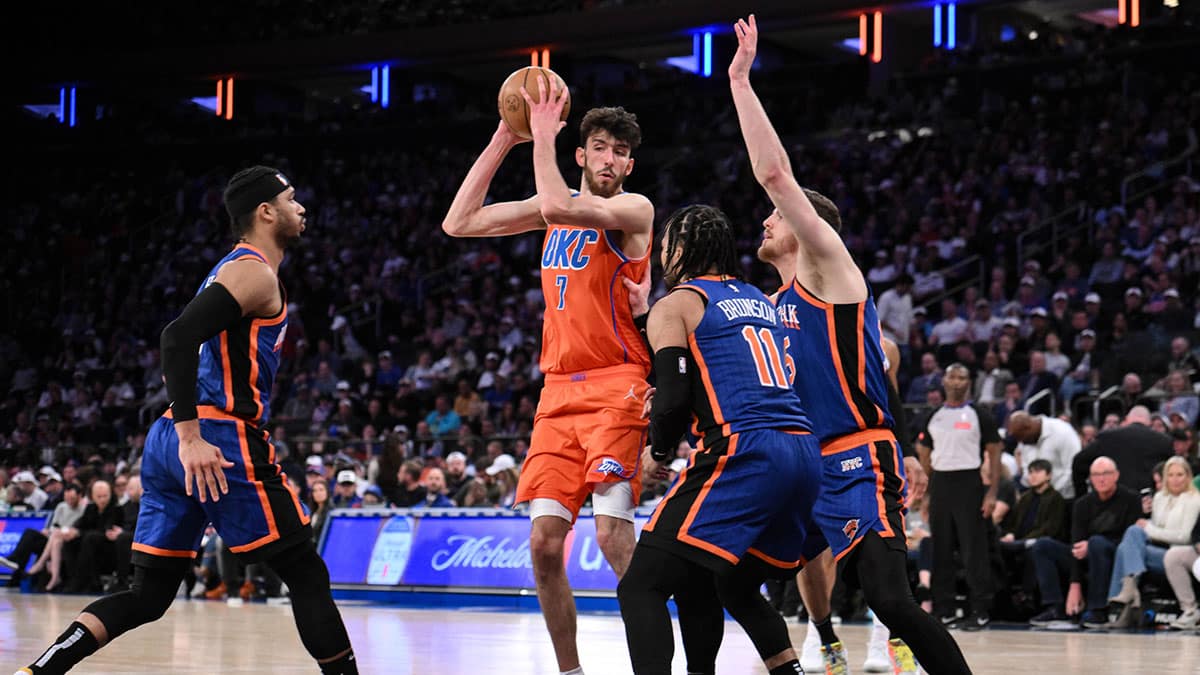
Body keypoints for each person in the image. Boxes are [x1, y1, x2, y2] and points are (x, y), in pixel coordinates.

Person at [15, 167, 356, 675]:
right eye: (290, 198)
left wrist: (183, 434)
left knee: (147, 596)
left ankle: (37, 672)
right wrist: (193, 436)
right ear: (266, 212)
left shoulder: (235, 269)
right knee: (305, 572)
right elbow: (176, 338)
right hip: (215, 438)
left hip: (171, 440)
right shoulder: (254, 271)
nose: (300, 208)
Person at [727, 15, 967, 675]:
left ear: (812, 229)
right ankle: (806, 656)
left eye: (778, 214)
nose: (766, 217)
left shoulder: (830, 267)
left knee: (892, 599)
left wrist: (741, 82)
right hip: (802, 468)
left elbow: (776, 174)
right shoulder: (768, 307)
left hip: (859, 454)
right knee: (729, 573)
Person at [443, 75, 653, 675]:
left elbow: (561, 204)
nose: (610, 158)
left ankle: (661, 659)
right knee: (542, 546)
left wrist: (540, 138)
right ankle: (571, 672)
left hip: (618, 382)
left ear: (629, 164)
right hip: (557, 393)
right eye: (600, 147)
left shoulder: (631, 209)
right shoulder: (550, 207)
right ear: (581, 153)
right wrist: (505, 137)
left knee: (614, 536)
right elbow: (458, 222)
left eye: (620, 150)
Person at [617, 204, 819, 675]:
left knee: (640, 586)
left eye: (665, 247)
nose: (662, 256)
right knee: (708, 579)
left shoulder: (679, 304)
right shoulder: (758, 298)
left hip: (745, 452)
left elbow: (671, 395)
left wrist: (658, 452)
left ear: (681, 250)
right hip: (802, 452)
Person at [917, 363, 1003, 630]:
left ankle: (980, 610)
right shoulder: (933, 416)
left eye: (962, 377)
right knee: (940, 549)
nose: (956, 381)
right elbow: (924, 456)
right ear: (944, 381)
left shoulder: (979, 414)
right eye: (952, 376)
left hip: (969, 482)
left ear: (969, 382)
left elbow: (995, 452)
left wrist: (992, 491)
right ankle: (944, 610)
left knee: (973, 550)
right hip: (941, 483)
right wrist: (927, 494)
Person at [1027, 456, 1141, 627]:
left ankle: (1098, 609)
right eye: (1096, 475)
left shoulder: (1131, 499)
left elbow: (1131, 541)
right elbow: (1076, 544)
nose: (1101, 479)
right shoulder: (1082, 504)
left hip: (1115, 556)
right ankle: (1055, 607)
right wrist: (1075, 585)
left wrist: (1092, 545)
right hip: (1086, 555)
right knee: (1043, 545)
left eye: (1106, 473)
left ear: (1116, 475)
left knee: (1096, 543)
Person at [1104, 456, 1200, 628]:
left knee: (1126, 547)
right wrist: (1147, 524)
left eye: (1180, 474)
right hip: (1157, 550)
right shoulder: (1159, 498)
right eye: (1170, 475)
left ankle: (1126, 598)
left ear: (1188, 476)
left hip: (1178, 553)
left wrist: (1149, 528)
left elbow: (1184, 537)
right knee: (1131, 536)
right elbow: (1154, 532)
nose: (1175, 479)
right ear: (1165, 477)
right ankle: (1130, 592)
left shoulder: (1194, 499)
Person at [1070, 405, 1173, 499]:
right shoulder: (1164, 442)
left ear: (1127, 419)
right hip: (1151, 501)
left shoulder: (1107, 438)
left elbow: (1078, 462)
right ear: (1149, 422)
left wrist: (1082, 496)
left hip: (1113, 504)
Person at [1006, 412, 1082, 499]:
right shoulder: (1025, 440)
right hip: (1037, 497)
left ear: (1028, 428)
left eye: (1021, 438)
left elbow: (1072, 469)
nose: (1021, 443)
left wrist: (1050, 493)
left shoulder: (1062, 432)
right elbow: (1026, 470)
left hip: (1064, 497)